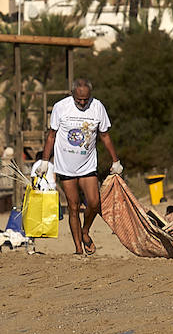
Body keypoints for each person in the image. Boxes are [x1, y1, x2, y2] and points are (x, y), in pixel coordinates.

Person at [36, 77, 121, 256]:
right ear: (72, 94)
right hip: (65, 166)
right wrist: (44, 161)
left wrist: (116, 161)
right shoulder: (61, 107)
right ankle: (78, 248)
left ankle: (85, 231)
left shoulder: (98, 107)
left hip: (87, 165)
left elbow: (105, 136)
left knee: (94, 202)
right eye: (79, 100)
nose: (82, 103)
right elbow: (52, 135)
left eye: (85, 100)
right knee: (73, 207)